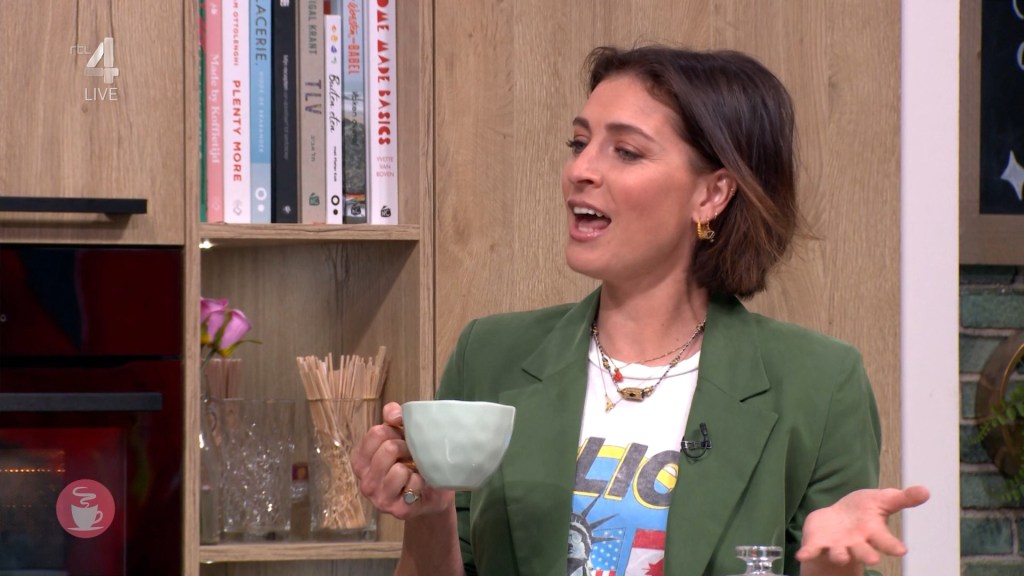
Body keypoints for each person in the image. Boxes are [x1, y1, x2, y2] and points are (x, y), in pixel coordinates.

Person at [352, 44, 930, 576]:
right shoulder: (491, 356)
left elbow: (831, 557)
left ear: (712, 194)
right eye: (580, 143)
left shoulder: (820, 384)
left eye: (626, 152)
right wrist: (428, 513)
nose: (581, 170)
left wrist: (831, 567)